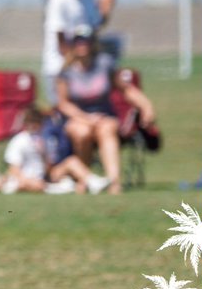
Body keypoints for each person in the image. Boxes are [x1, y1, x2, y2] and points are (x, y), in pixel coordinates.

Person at [56, 25, 156, 195]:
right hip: (78, 118)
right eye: (79, 41)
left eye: (86, 41)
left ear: (92, 43)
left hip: (104, 116)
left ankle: (114, 182)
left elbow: (126, 90)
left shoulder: (105, 63)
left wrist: (146, 106)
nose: (83, 45)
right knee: (82, 132)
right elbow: (63, 103)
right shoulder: (66, 71)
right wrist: (85, 117)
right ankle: (85, 179)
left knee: (107, 128)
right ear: (73, 44)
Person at [42, 0, 116, 104]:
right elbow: (60, 38)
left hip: (83, 69)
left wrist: (106, 10)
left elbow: (94, 27)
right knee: (63, 113)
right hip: (61, 66)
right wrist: (73, 63)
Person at [2, 107, 110, 195]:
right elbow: (14, 170)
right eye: (31, 123)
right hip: (27, 180)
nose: (34, 127)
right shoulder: (19, 141)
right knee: (18, 185)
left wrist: (44, 155)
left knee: (71, 162)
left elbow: (48, 167)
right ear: (26, 124)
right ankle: (62, 187)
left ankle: (92, 181)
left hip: (45, 178)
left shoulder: (44, 140)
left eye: (37, 124)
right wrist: (29, 182)